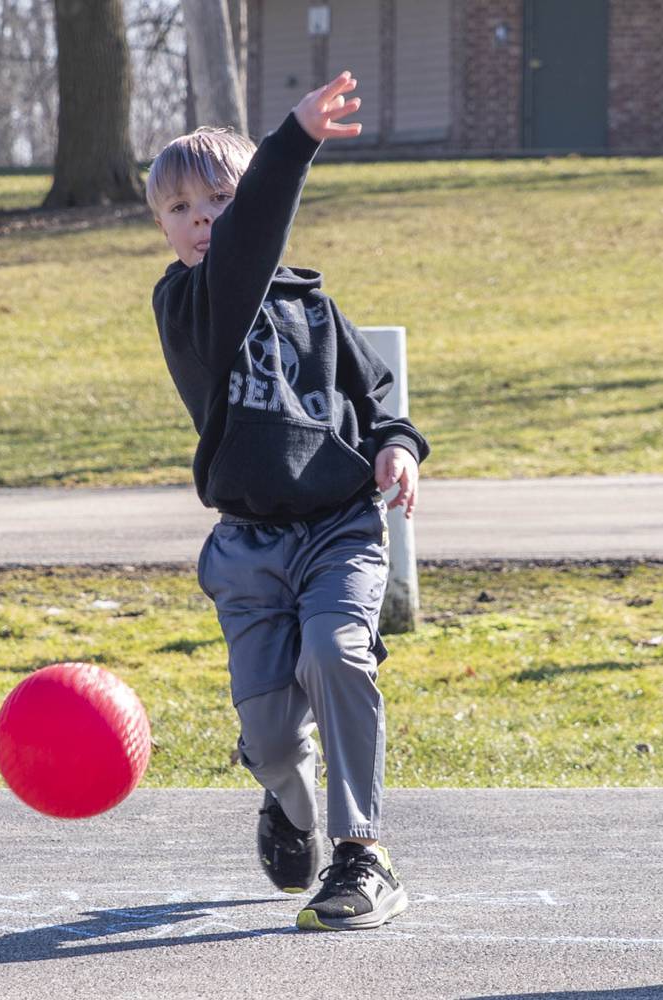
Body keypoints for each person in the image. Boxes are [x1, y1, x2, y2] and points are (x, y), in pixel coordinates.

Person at [148, 71, 429, 931]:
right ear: (162, 226)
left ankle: (362, 854)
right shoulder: (188, 303)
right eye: (180, 209)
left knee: (338, 656)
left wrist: (395, 445)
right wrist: (292, 141)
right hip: (249, 548)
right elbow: (241, 254)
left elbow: (375, 391)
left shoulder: (312, 302)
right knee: (270, 738)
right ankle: (291, 803)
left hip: (340, 525)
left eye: (219, 200)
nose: (201, 220)